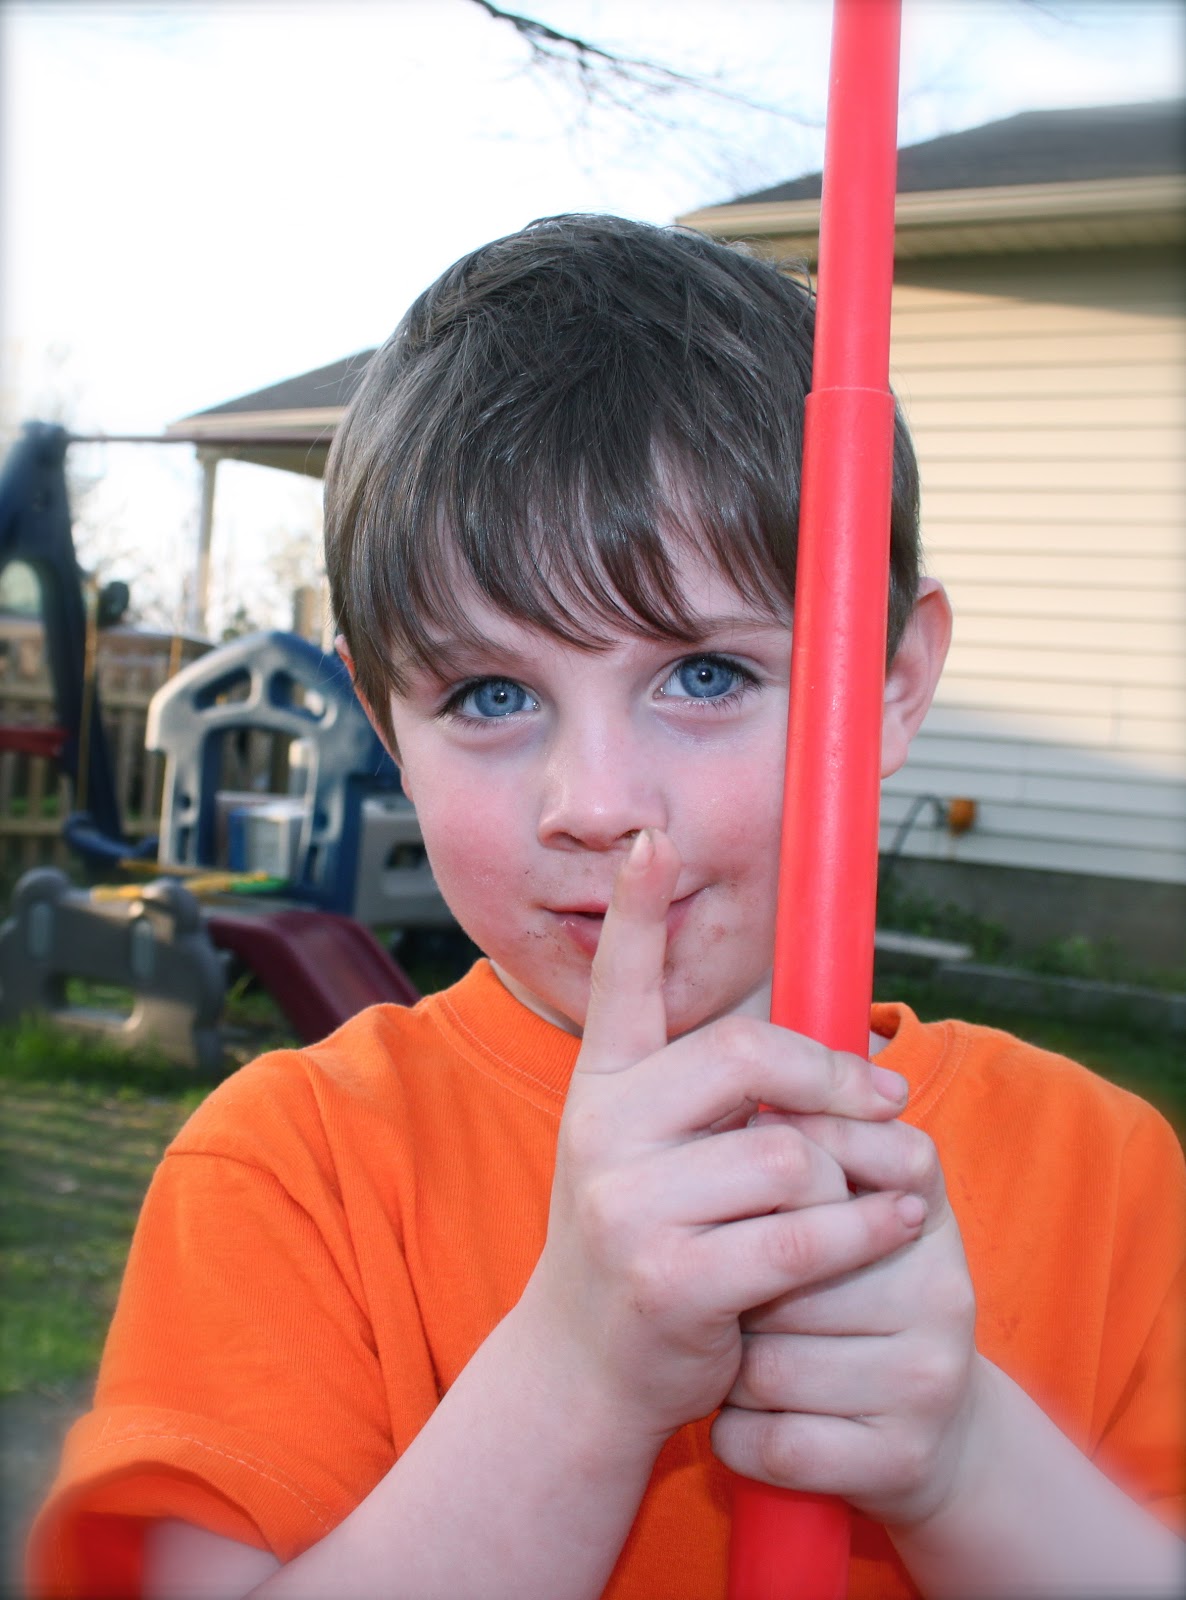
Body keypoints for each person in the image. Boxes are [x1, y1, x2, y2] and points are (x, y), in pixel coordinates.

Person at [29, 215, 1184, 1600]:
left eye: (702, 675)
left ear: (889, 682)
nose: (595, 801)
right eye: (490, 695)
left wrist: (967, 1463)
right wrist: (577, 1377)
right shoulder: (291, 1174)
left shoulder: (1108, 1181)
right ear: (383, 721)